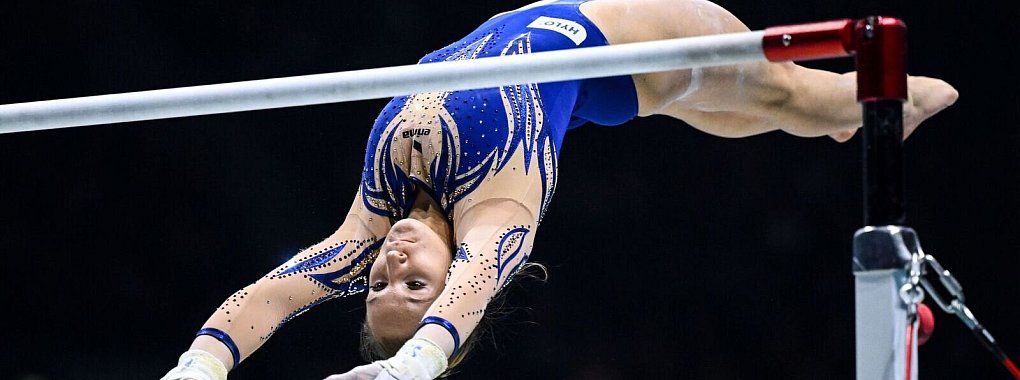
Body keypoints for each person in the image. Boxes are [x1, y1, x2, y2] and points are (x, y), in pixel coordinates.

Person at [161, 0, 959, 379]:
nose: (394, 258)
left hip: (587, 78)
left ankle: (860, 114)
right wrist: (416, 368)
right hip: (636, 50)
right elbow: (472, 283)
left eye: (381, 282)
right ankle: (885, 101)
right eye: (416, 284)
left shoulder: (371, 222)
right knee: (787, 95)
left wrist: (197, 368)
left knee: (777, 105)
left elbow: (269, 296)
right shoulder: (498, 215)